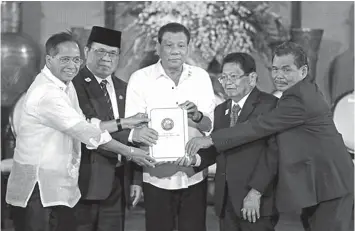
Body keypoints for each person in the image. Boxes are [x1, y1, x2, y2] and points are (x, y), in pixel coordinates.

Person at [186, 42, 354, 231]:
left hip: (331, 184)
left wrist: (211, 139)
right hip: (318, 184)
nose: (279, 76)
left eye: (286, 69)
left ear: (303, 71)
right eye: (275, 69)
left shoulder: (298, 99)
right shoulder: (296, 93)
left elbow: (259, 126)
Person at [5, 32, 155, 231]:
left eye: (76, 60)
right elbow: (86, 132)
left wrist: (125, 122)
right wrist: (131, 152)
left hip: (58, 188)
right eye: (65, 59)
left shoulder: (65, 86)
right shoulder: (47, 93)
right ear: (49, 60)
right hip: (38, 188)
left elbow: (87, 123)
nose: (72, 65)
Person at [125, 22, 216, 231]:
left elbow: (210, 126)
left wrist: (197, 115)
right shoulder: (140, 79)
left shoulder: (201, 77)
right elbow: (132, 130)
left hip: (193, 173)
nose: (175, 51)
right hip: (155, 175)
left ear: (188, 48)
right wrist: (142, 134)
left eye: (181, 45)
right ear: (158, 47)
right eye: (169, 45)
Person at [180, 52, 279, 231]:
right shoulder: (221, 110)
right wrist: (193, 160)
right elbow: (218, 147)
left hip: (256, 201)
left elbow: (273, 155)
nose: (227, 82)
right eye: (223, 77)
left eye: (233, 76)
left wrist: (256, 193)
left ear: (252, 78)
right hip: (226, 202)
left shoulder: (269, 105)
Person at [72, 26, 146, 231]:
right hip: (84, 182)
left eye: (112, 53)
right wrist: (129, 130)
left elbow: (137, 135)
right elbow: (88, 128)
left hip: (119, 183)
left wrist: (136, 180)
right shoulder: (74, 85)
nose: (106, 58)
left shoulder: (125, 88)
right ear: (86, 52)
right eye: (100, 51)